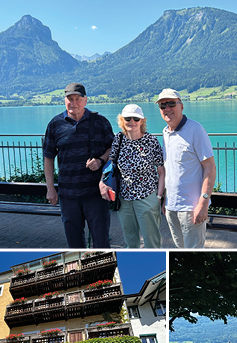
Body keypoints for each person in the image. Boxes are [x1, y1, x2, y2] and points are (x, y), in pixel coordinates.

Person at [43, 82, 114, 248]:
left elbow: (113, 148)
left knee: (101, 242)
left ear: (85, 100)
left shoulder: (100, 122)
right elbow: (48, 157)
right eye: (70, 99)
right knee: (74, 244)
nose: (73, 102)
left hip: (96, 194)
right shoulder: (55, 124)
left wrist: (101, 160)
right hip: (68, 196)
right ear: (64, 100)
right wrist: (50, 188)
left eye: (78, 99)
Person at [156, 88, 216, 248]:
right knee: (179, 249)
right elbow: (171, 170)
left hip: (191, 208)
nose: (167, 108)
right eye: (163, 105)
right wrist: (165, 201)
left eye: (171, 103)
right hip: (171, 207)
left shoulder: (196, 130)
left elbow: (210, 167)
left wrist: (203, 204)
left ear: (181, 106)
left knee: (194, 251)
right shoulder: (165, 132)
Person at [99, 104, 165, 248]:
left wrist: (158, 197)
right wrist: (102, 181)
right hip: (124, 199)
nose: (132, 122)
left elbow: (161, 171)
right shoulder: (119, 139)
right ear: (122, 120)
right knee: (130, 241)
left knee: (152, 242)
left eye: (136, 118)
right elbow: (111, 162)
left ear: (142, 121)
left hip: (147, 197)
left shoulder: (151, 141)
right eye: (128, 118)